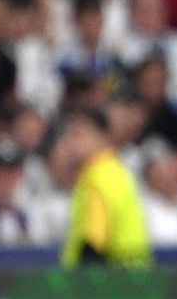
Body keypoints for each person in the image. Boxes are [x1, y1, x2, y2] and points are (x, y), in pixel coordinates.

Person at [59, 107, 151, 268]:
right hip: (132, 282)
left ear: (102, 137)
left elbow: (93, 243)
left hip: (110, 286)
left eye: (77, 135)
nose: (69, 142)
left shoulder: (98, 178)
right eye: (68, 135)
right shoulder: (117, 172)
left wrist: (76, 286)